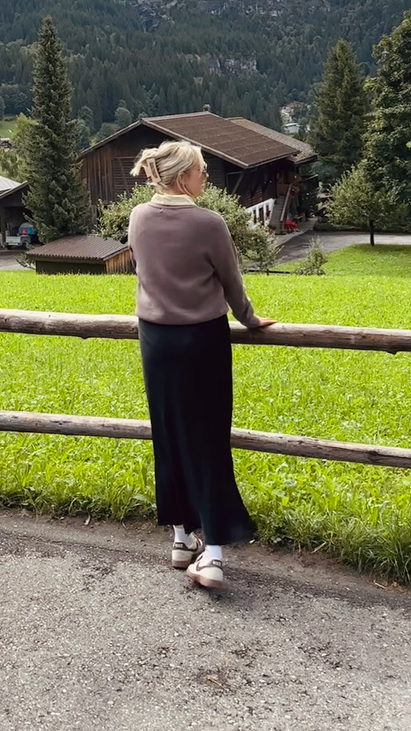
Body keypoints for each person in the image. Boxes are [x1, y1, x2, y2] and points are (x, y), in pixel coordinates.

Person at [127, 139, 274, 591]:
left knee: (168, 433)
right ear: (182, 177)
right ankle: (213, 556)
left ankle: (180, 538)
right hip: (203, 340)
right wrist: (250, 320)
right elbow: (231, 282)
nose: (206, 177)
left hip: (156, 341)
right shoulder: (210, 223)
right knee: (208, 440)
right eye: (202, 171)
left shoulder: (139, 217)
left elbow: (143, 271)